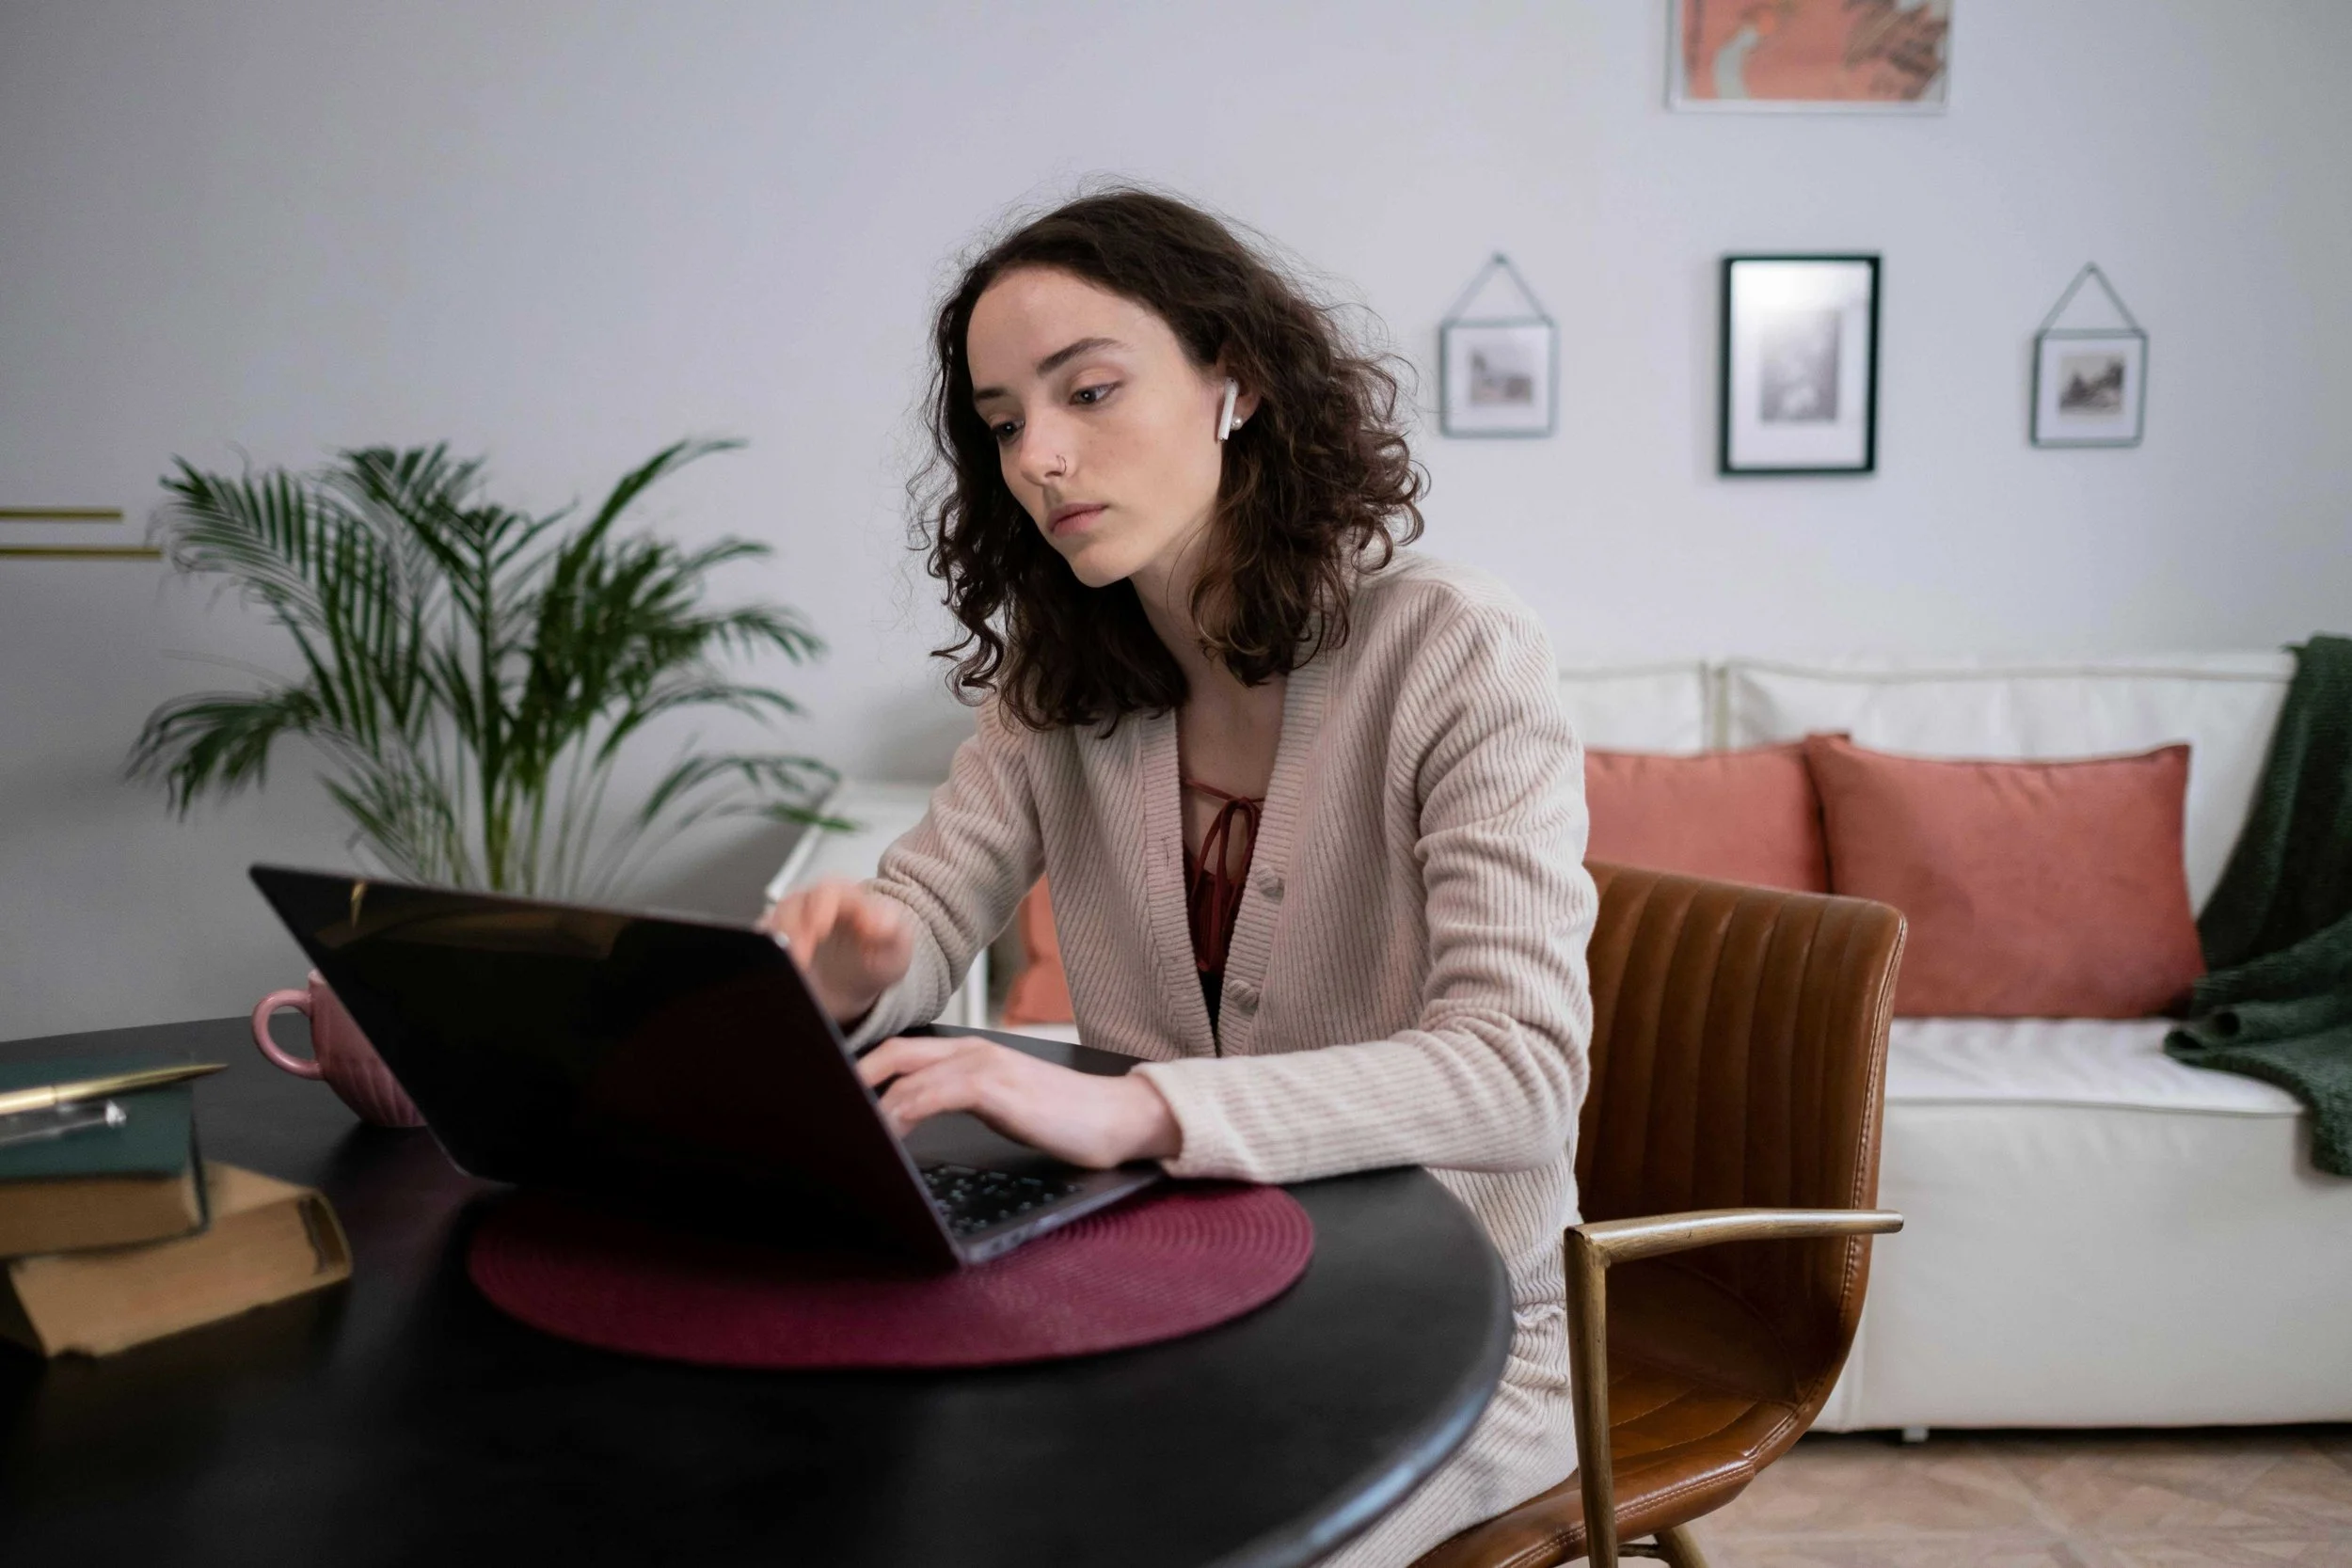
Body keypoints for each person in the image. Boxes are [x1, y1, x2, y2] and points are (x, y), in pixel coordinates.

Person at [761, 188, 1595, 1567]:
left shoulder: (1454, 650)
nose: (1043, 456)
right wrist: (868, 959)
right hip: (1169, 1289)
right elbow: (921, 908)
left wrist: (1141, 1109)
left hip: (1462, 1334)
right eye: (1006, 420)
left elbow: (1521, 1071)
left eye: (1089, 389)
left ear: (1237, 382)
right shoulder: (1057, 686)